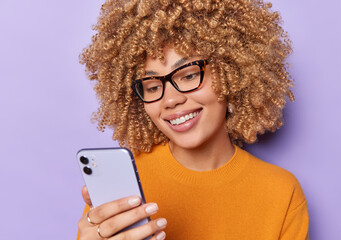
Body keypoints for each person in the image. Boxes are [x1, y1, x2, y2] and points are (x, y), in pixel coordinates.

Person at [77, 0, 309, 239]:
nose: (170, 100)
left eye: (188, 75)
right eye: (152, 86)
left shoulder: (281, 193)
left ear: (232, 74)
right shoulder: (121, 190)